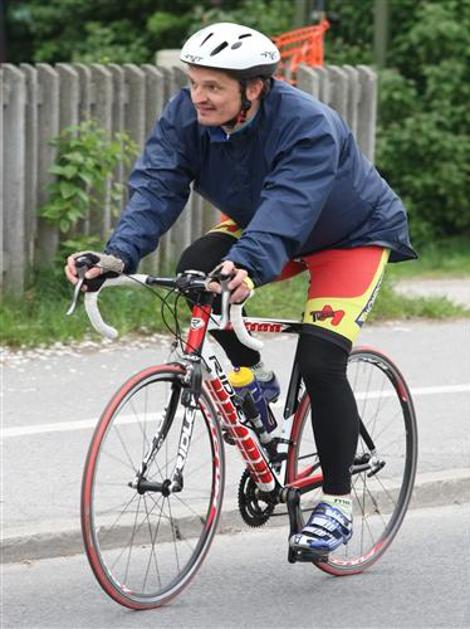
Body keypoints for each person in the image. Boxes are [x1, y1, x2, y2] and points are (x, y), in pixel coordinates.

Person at [65, 22, 416, 560]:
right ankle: (253, 376)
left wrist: (248, 265)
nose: (198, 96)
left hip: (350, 236)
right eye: (193, 83)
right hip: (264, 224)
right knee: (196, 271)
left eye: (213, 87)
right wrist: (118, 256)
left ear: (254, 87)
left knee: (322, 362)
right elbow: (158, 185)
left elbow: (290, 203)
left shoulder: (308, 125)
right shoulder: (187, 115)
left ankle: (337, 504)